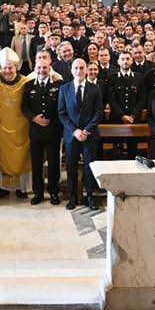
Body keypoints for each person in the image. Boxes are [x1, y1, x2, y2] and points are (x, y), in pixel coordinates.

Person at [58, 59, 103, 211]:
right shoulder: (64, 89)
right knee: (71, 166)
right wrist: (75, 131)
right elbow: (62, 113)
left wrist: (86, 130)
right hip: (72, 136)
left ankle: (89, 195)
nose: (79, 71)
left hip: (89, 135)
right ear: (72, 70)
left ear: (86, 70)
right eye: (76, 68)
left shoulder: (95, 88)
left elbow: (98, 112)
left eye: (82, 68)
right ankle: (72, 196)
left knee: (90, 166)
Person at [0, 49, 32, 199]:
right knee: (2, 155)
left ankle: (22, 188)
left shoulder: (26, 82)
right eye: (5, 68)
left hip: (22, 126)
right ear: (0, 68)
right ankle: (4, 187)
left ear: (16, 67)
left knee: (22, 157)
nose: (8, 71)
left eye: (11, 67)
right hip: (3, 125)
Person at [23, 58, 63, 205]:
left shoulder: (58, 85)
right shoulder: (28, 86)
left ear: (49, 69)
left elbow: (62, 105)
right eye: (39, 68)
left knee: (54, 163)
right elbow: (24, 107)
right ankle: (38, 193)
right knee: (36, 163)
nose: (41, 71)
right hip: (36, 131)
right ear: (35, 69)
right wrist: (33, 118)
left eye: (45, 68)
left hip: (53, 130)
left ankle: (54, 192)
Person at [107, 50, 145, 159]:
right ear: (118, 62)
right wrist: (122, 116)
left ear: (132, 61)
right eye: (122, 59)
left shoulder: (139, 78)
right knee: (117, 152)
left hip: (134, 120)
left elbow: (142, 99)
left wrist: (133, 115)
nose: (125, 61)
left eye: (128, 59)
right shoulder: (112, 78)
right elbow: (111, 100)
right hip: (117, 119)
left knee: (133, 151)